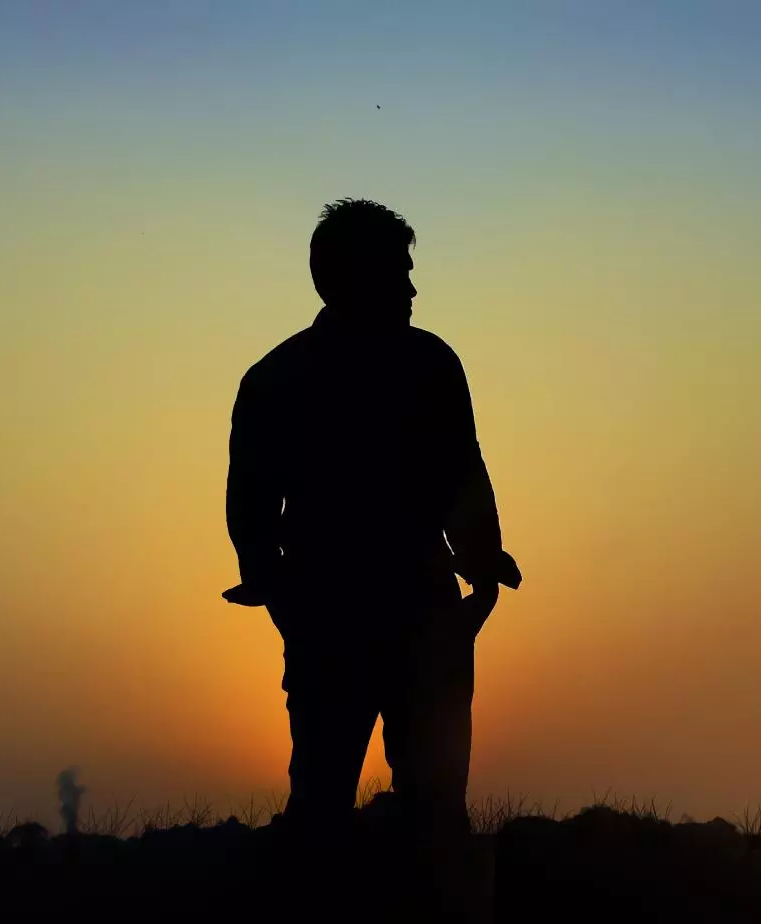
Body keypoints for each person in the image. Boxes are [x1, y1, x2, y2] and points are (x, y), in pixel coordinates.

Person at [222, 198, 520, 908]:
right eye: (400, 272)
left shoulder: (290, 375)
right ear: (354, 277)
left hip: (393, 615)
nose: (413, 289)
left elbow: (462, 479)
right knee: (346, 811)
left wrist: (480, 575)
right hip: (371, 616)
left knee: (403, 813)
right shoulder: (314, 375)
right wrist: (285, 601)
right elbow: (252, 511)